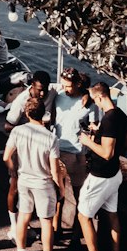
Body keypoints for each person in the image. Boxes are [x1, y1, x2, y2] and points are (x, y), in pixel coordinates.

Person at [72, 81, 127, 251]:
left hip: (100, 176)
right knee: (112, 215)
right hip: (115, 175)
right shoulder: (120, 115)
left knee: (83, 216)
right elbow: (125, 143)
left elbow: (106, 153)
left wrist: (88, 141)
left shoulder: (110, 120)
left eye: (95, 100)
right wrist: (99, 132)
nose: (95, 103)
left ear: (99, 97)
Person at [3, 96, 61, 251]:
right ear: (43, 114)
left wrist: (13, 170)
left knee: (23, 218)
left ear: (27, 113)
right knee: (46, 222)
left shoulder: (18, 131)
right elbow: (54, 169)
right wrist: (61, 188)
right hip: (43, 183)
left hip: (24, 180)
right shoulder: (51, 137)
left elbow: (6, 157)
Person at [52, 70, 92, 225]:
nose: (65, 89)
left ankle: (78, 227)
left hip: (78, 154)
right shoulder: (59, 96)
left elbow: (94, 127)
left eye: (68, 86)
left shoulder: (89, 103)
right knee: (57, 192)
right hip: (59, 151)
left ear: (78, 84)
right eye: (63, 85)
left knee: (78, 194)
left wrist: (88, 94)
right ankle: (56, 228)